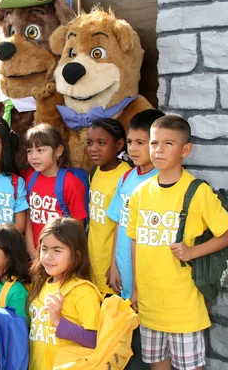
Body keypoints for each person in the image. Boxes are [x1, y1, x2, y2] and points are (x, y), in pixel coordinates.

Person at [127, 115, 228, 370]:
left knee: (190, 366)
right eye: (154, 143)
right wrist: (136, 289)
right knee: (157, 364)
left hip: (183, 305)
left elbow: (227, 235)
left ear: (185, 149)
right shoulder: (141, 192)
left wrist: (192, 251)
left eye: (168, 144)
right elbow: (135, 242)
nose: (158, 150)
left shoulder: (197, 191)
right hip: (150, 302)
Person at [106, 110, 163, 370]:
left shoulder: (159, 181)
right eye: (130, 142)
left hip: (147, 280)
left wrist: (140, 286)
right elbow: (119, 222)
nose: (134, 148)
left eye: (141, 143)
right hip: (124, 275)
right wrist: (114, 266)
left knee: (150, 349)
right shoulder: (127, 177)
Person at [28, 218, 103, 370]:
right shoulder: (40, 283)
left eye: (57, 250)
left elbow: (94, 340)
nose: (48, 256)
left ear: (77, 255)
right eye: (44, 249)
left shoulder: (83, 291)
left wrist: (58, 321)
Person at [24, 123, 87, 258]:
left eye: (40, 150)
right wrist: (31, 249)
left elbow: (78, 226)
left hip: (61, 256)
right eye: (30, 151)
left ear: (58, 151)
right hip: (36, 254)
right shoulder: (31, 179)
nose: (34, 156)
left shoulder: (70, 182)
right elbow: (29, 216)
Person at [86, 118, 131, 295]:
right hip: (94, 260)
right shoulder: (95, 172)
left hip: (114, 267)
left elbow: (125, 226)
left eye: (101, 143)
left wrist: (116, 265)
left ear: (119, 144)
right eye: (90, 143)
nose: (93, 148)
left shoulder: (126, 176)